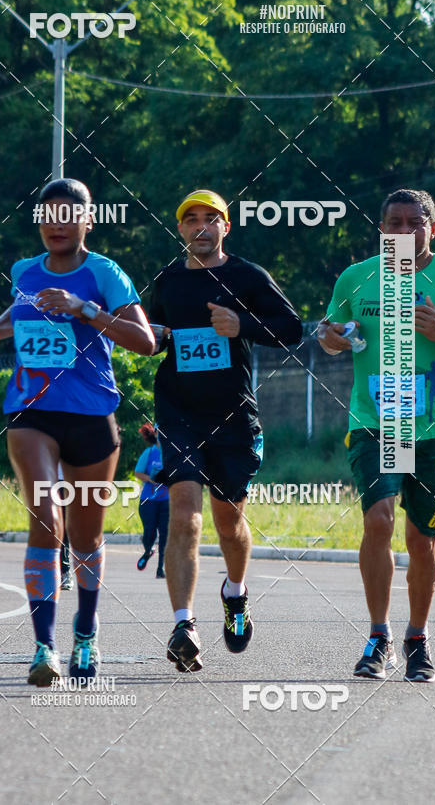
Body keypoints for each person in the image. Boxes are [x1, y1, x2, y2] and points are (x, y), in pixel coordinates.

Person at [318, 188, 435, 682]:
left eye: (414, 223)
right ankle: (378, 635)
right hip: (374, 424)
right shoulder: (357, 276)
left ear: (432, 229)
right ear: (381, 229)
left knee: (420, 538)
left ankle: (417, 636)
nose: (402, 232)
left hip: (433, 429)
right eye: (393, 223)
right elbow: (330, 337)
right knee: (378, 521)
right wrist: (334, 335)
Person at [0, 178, 154, 686]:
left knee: (86, 535)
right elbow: (14, 320)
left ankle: (86, 630)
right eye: (47, 215)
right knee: (45, 516)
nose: (55, 224)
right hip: (30, 412)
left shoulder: (104, 272)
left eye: (67, 215)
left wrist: (85, 310)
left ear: (88, 221)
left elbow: (145, 342)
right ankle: (44, 647)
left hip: (91, 417)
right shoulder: (23, 270)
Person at [149, 189, 302, 672]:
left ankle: (234, 594)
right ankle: (183, 624)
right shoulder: (168, 281)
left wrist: (243, 324)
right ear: (180, 230)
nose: (200, 227)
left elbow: (292, 329)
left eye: (210, 219)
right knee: (183, 513)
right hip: (178, 411)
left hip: (233, 415)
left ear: (225, 227)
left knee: (229, 523)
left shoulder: (246, 276)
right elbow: (148, 335)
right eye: (190, 219)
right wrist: (155, 337)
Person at [134, 423, 169, 578]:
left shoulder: (172, 453)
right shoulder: (149, 452)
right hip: (148, 499)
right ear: (155, 433)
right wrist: (151, 479)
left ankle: (161, 568)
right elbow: (138, 472)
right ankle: (148, 550)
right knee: (149, 532)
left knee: (165, 534)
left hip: (167, 500)